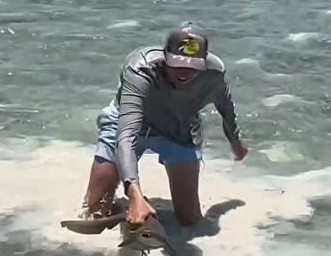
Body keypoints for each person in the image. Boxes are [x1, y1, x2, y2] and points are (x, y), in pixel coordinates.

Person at [79, 21, 248, 227]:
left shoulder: (214, 74)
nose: (184, 72)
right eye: (177, 64)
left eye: (192, 67)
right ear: (165, 56)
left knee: (190, 219)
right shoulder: (141, 69)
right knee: (93, 212)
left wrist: (235, 142)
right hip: (130, 124)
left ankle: (143, 206)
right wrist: (133, 192)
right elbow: (126, 135)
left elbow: (227, 110)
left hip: (179, 127)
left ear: (203, 63)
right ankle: (132, 202)